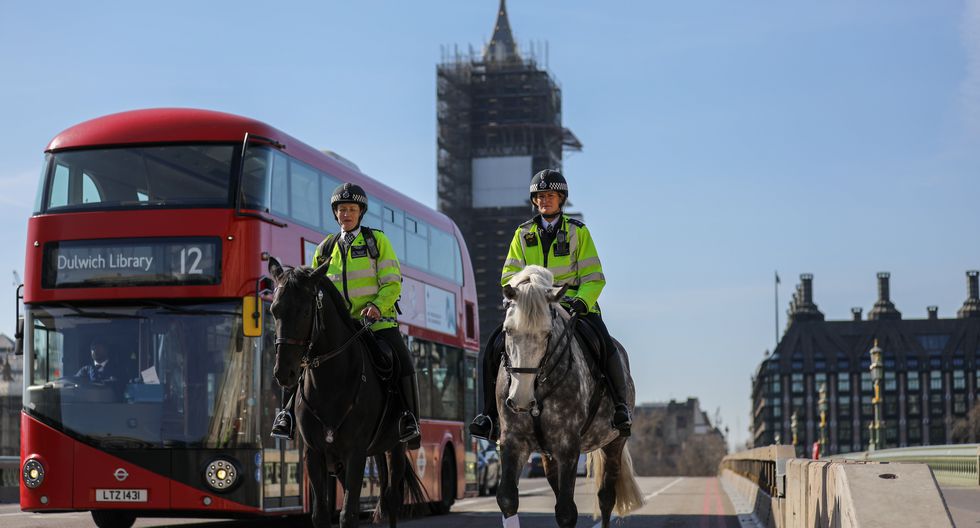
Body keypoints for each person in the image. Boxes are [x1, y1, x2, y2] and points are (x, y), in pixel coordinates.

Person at [469, 169, 632, 441]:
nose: (545, 200)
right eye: (540, 196)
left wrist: (581, 300)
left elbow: (594, 277)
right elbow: (509, 276)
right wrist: (521, 298)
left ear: (561, 199)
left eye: (550, 196)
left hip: (575, 307)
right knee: (494, 345)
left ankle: (619, 408)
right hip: (533, 310)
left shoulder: (579, 232)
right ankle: (489, 415)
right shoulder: (522, 234)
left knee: (604, 344)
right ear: (534, 201)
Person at [271, 182, 421, 448]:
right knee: (299, 358)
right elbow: (311, 289)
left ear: (360, 213)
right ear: (336, 213)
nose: (346, 214)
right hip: (335, 327)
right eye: (342, 209)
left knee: (402, 360)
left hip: (375, 323)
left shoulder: (377, 241)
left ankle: (409, 420)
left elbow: (392, 282)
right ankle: (286, 416)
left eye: (352, 209)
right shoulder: (324, 249)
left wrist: (376, 306)